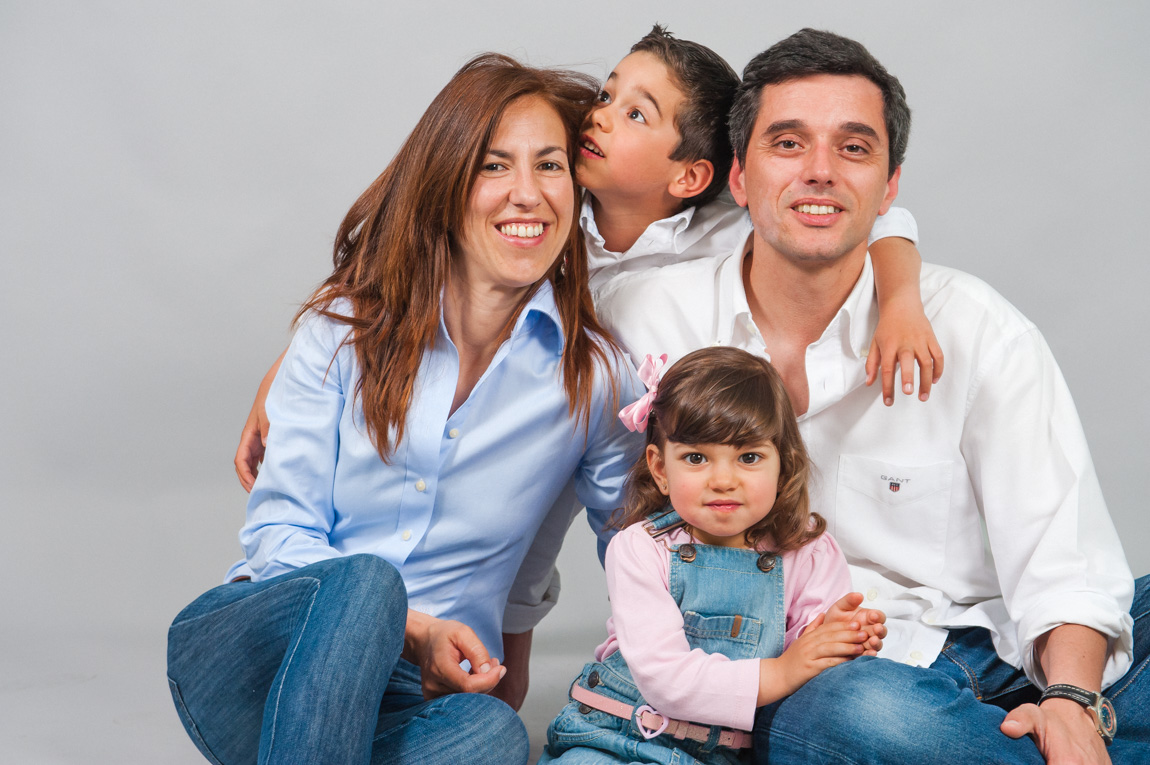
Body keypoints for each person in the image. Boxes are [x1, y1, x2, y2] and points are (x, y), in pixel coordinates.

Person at [232, 27, 942, 709]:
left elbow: (870, 214)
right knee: (510, 513)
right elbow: (412, 242)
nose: (597, 119)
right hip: (554, 399)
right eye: (606, 96)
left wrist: (901, 299)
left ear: (691, 175)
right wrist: (288, 367)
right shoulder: (552, 219)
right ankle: (475, 668)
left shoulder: (725, 223)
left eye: (635, 112)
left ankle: (724, 678)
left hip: (687, 438)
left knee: (630, 536)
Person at [596, 28, 1147, 763]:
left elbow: (1063, 556)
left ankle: (1046, 735)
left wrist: (1072, 698)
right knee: (854, 713)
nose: (820, 171)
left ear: (889, 187)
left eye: (854, 149)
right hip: (837, 674)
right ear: (737, 176)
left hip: (993, 643)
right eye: (787, 144)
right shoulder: (646, 313)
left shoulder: (976, 328)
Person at [166, 54, 644, 765]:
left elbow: (640, 555)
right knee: (367, 584)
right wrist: (413, 628)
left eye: (549, 166)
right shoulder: (342, 329)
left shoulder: (595, 378)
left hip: (412, 700)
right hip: (257, 661)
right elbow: (278, 530)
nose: (528, 194)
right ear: (445, 184)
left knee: (497, 737)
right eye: (493, 166)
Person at [538, 348, 886, 764]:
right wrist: (783, 670)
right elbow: (665, 678)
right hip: (617, 732)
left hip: (725, 754)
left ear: (783, 466)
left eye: (749, 457)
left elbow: (809, 657)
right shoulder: (641, 548)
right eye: (696, 458)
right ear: (661, 469)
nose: (723, 480)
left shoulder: (808, 552)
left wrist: (842, 636)